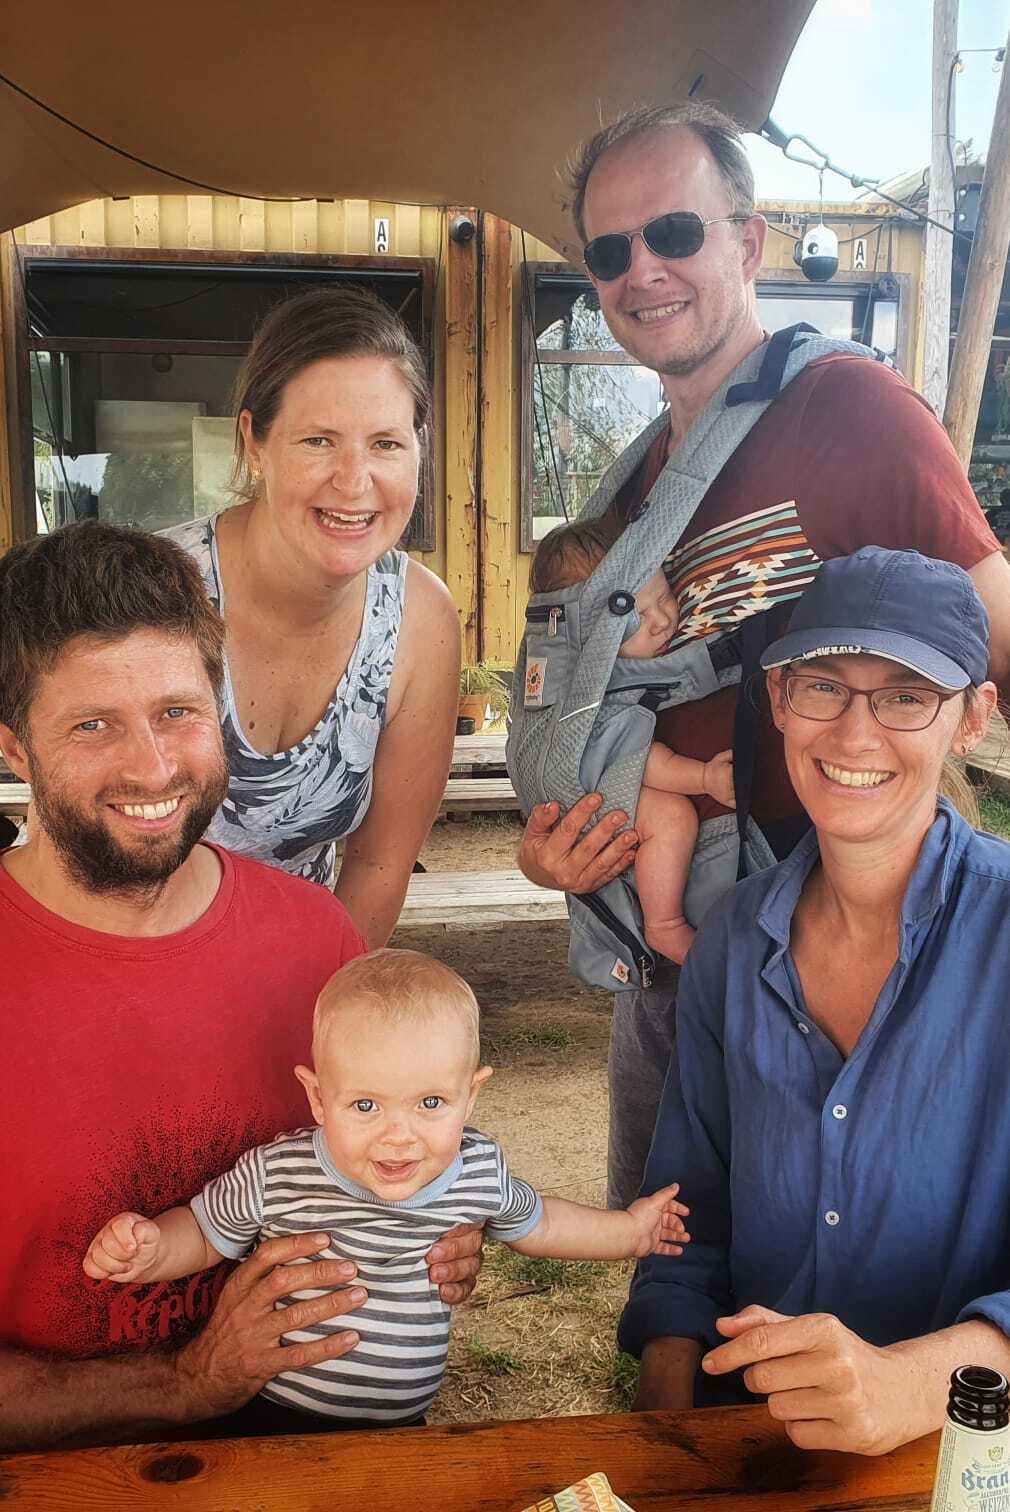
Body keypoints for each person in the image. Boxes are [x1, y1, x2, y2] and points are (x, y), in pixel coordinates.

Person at [517, 101, 1010, 1209]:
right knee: (667, 1257)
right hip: (669, 965)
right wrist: (558, 849)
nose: (642, 269)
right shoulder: (638, 482)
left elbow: (996, 637)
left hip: (837, 958)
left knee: (839, 1264)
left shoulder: (852, 410)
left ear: (746, 242)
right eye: (609, 252)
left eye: (673, 233)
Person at [0, 521, 481, 1453]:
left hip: (303, 1453)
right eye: (93, 725)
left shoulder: (317, 946)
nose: (152, 767)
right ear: (15, 748)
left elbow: (375, 1164)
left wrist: (431, 1220)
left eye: (178, 712)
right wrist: (186, 1381)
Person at [619, 546, 1010, 1457]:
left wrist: (918, 1380)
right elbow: (686, 1215)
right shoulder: (730, 940)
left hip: (968, 1457)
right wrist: (664, 1422)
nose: (855, 735)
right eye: (824, 687)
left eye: (906, 696)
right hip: (748, 1444)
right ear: (779, 699)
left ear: (972, 719)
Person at [84, 948, 689, 1430]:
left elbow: (544, 1225)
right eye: (366, 1105)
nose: (399, 1137)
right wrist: (149, 1250)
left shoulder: (476, 1170)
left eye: (430, 1103)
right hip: (272, 1415)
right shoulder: (280, 1171)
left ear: (471, 1096)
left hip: (403, 1423)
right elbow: (203, 1233)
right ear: (318, 1097)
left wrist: (629, 1231)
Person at [164, 286, 460, 946]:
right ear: (255, 442)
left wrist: (322, 996)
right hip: (123, 957)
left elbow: (379, 866)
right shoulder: (153, 591)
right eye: (318, 440)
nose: (354, 481)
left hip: (301, 959)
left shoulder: (419, 619)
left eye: (386, 443)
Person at [530, 521, 734, 963]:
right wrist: (704, 777)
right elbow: (636, 757)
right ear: (590, 633)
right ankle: (665, 925)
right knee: (672, 817)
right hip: (591, 795)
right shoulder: (590, 686)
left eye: (665, 597)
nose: (662, 621)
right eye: (637, 618)